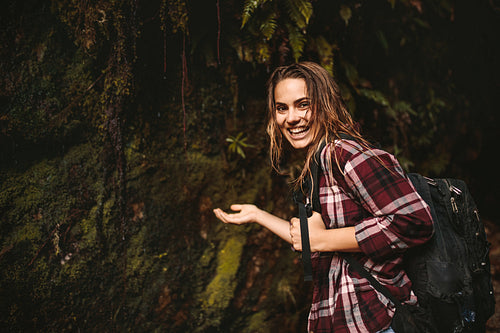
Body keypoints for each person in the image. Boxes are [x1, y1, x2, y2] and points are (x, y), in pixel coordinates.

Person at [213, 62, 434, 333]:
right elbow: (312, 240)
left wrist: (324, 239)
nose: (291, 118)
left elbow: (414, 220)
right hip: (344, 319)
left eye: (303, 104)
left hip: (376, 319)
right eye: (282, 108)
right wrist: (258, 215)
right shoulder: (318, 162)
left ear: (325, 103)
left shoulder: (344, 155)